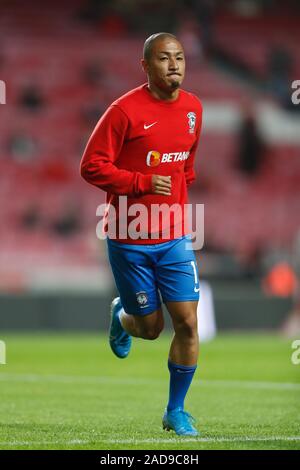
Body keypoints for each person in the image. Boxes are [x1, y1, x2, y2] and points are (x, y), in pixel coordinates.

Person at [80, 32, 203, 436]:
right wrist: (141, 182)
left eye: (180, 57)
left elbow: (185, 165)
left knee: (186, 322)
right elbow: (91, 166)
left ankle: (176, 410)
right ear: (145, 66)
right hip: (129, 236)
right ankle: (122, 314)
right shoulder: (124, 111)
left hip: (175, 236)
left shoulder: (193, 110)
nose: (174, 65)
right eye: (165, 59)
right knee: (151, 328)